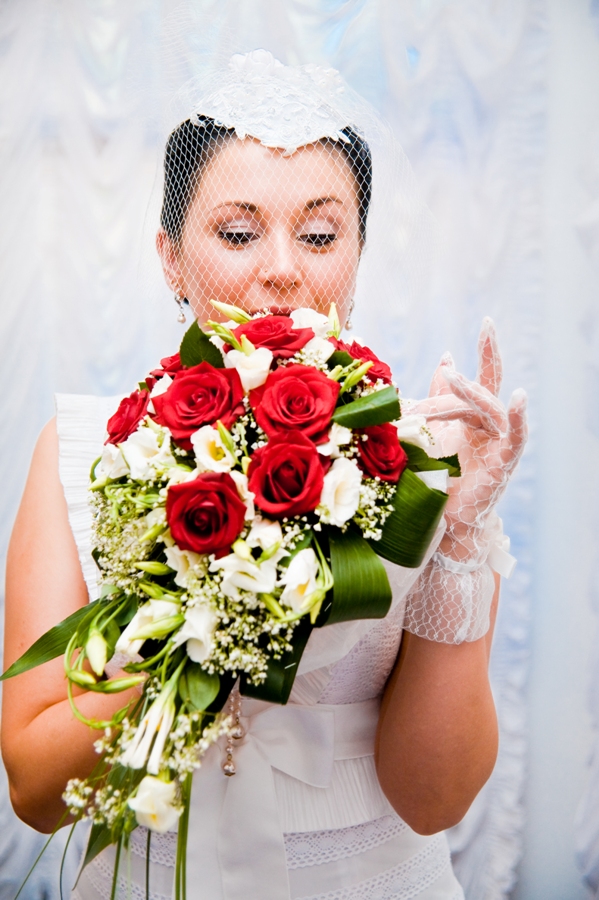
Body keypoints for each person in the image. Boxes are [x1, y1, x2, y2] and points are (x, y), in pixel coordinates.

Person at [1, 51, 527, 900]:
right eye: (238, 233)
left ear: (356, 253)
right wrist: (206, 610)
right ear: (171, 257)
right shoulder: (83, 447)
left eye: (319, 235)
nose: (283, 269)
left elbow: (434, 799)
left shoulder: (428, 457)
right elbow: (34, 790)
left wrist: (458, 536)